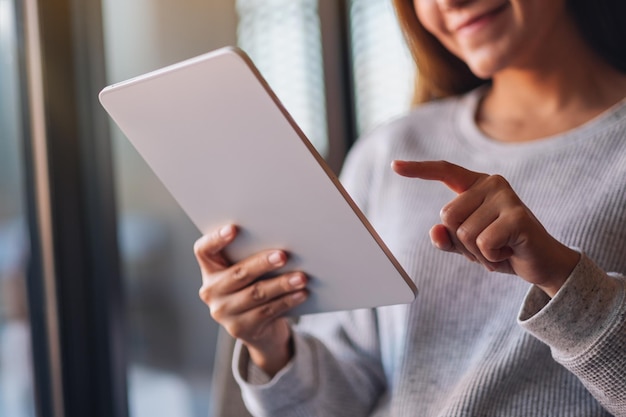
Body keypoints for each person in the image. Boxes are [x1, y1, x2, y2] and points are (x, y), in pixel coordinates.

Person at [194, 0, 626, 415]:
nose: (451, 1)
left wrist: (563, 279)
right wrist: (271, 346)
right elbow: (344, 399)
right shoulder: (390, 152)